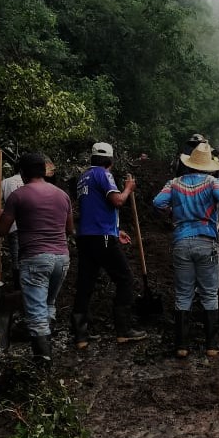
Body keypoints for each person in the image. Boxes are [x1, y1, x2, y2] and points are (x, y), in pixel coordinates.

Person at [153, 142, 219, 357]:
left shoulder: (174, 183)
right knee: (209, 294)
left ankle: (182, 346)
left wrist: (172, 212)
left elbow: (157, 202)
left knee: (183, 294)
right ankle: (211, 345)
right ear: (209, 165)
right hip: (206, 241)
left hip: (181, 241)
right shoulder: (214, 182)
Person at [0, 153, 73, 363]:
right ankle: (47, 349)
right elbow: (70, 229)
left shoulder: (19, 196)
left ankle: (43, 362)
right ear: (43, 171)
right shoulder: (62, 195)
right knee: (48, 304)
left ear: (22, 173)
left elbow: (2, 230)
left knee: (36, 312)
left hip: (35, 258)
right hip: (61, 259)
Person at [71, 142, 147, 348]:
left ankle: (80, 336)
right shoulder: (104, 175)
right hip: (101, 237)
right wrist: (128, 189)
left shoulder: (83, 177)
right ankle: (124, 330)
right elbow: (117, 201)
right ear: (110, 161)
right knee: (125, 279)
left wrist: (115, 230)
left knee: (85, 283)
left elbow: (96, 208)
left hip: (87, 236)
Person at [0, 162, 24, 289]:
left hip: (12, 224)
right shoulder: (31, 182)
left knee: (16, 254)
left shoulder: (7, 182)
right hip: (30, 224)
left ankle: (18, 285)